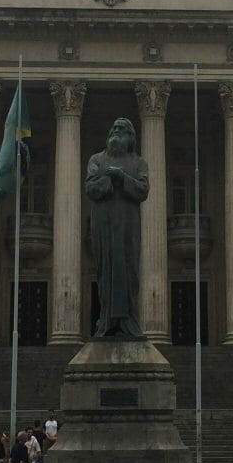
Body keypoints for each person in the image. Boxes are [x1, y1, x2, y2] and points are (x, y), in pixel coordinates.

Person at [85, 118, 150, 338]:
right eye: (113, 129)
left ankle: (127, 321)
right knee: (105, 271)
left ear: (131, 137)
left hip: (128, 226)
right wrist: (109, 180)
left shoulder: (139, 163)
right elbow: (90, 188)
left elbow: (143, 190)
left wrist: (122, 178)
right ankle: (107, 321)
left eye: (121, 130)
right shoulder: (96, 160)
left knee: (129, 270)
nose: (115, 132)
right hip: (103, 224)